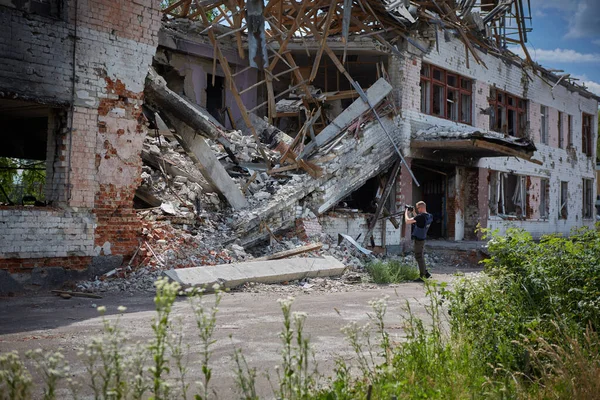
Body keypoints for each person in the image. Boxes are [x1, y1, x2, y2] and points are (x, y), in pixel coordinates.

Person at [404, 201, 433, 279]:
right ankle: (425, 273)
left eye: (418, 208)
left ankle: (423, 275)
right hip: (422, 238)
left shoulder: (420, 217)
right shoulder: (429, 216)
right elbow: (419, 220)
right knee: (421, 256)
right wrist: (413, 212)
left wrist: (406, 211)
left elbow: (407, 221)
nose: (418, 210)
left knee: (419, 257)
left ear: (422, 207)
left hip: (419, 240)